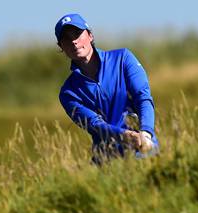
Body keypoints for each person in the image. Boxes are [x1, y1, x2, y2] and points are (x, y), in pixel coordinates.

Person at [55, 13, 159, 164]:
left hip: (144, 150)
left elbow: (143, 98)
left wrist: (146, 133)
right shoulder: (68, 92)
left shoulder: (123, 58)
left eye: (77, 34)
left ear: (90, 35)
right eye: (66, 39)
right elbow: (95, 125)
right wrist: (127, 136)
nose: (74, 42)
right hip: (107, 161)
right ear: (61, 47)